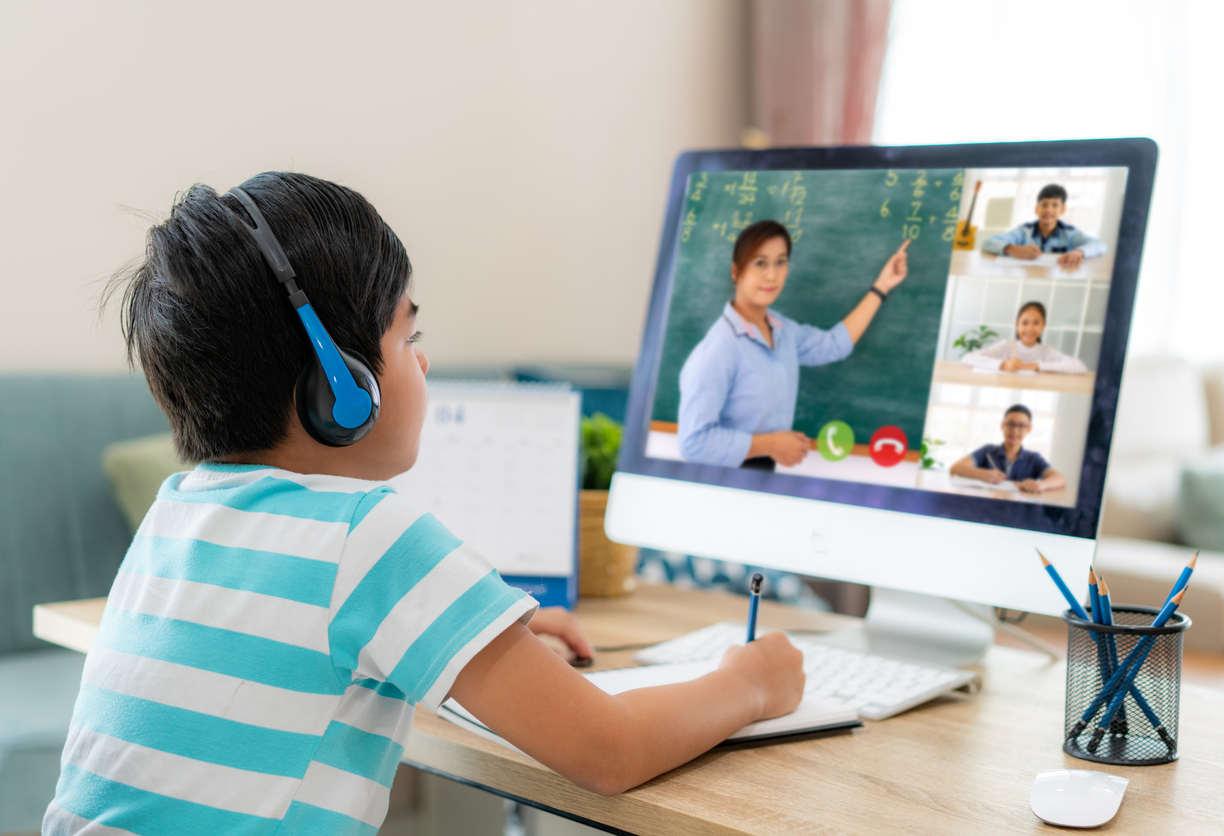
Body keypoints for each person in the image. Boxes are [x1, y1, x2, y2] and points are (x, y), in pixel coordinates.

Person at [44, 173, 806, 834]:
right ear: (340, 389)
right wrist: (748, 683)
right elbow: (607, 752)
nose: (426, 360)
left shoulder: (176, 512)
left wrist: (476, 634)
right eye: (411, 336)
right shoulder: (367, 534)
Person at [677, 220, 910, 470]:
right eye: (760, 263)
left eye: (781, 262)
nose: (772, 275)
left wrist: (881, 286)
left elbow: (833, 345)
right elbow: (693, 442)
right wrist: (768, 445)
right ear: (736, 272)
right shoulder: (720, 348)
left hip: (761, 474)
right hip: (724, 482)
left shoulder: (782, 331)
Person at [981, 183, 1106, 269]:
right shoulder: (1024, 230)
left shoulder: (1070, 233)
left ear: (1063, 209)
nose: (1049, 210)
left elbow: (1100, 245)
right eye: (1044, 204)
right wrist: (1013, 249)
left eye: (1055, 205)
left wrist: (1079, 252)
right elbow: (987, 243)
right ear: (1036, 209)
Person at [949, 404, 1065, 494]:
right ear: (1002, 426)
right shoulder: (988, 451)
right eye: (1010, 424)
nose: (1015, 430)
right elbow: (955, 468)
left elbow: (1060, 479)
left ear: (1029, 429)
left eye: (1021, 426)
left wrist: (1041, 485)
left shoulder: (1033, 458)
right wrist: (982, 474)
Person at [960, 301, 1086, 374]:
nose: (1030, 328)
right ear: (1017, 325)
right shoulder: (1006, 346)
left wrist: (1036, 366)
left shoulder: (1045, 351)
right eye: (1024, 323)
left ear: (1044, 325)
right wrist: (1003, 365)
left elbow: (1080, 367)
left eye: (1036, 323)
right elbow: (968, 358)